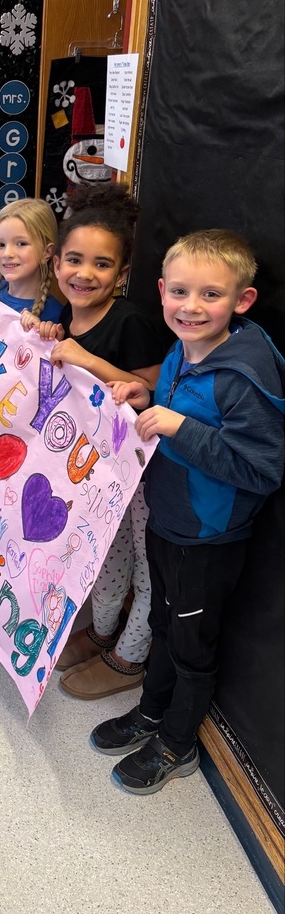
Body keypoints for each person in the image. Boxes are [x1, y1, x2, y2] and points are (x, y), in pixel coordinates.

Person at [95, 230, 284, 795]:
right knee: (161, 624)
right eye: (180, 292)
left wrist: (181, 427)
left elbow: (261, 469)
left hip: (209, 538)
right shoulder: (180, 348)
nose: (191, 307)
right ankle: (151, 712)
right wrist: (147, 402)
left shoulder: (245, 375)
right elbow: (174, 414)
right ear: (160, 291)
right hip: (167, 517)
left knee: (192, 647)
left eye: (210, 296)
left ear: (241, 301)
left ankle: (178, 744)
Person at [36, 183, 170, 699]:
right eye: (74, 260)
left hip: (142, 473)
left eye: (101, 265)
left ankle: (132, 653)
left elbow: (154, 393)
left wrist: (90, 361)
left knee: (143, 556)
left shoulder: (131, 320)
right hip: (96, 472)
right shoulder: (66, 312)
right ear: (56, 261)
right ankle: (104, 627)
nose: (84, 274)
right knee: (106, 548)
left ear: (123, 272)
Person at [0, 198, 63, 323]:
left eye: (21, 243)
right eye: (0, 244)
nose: (7, 254)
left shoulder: (55, 315)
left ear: (46, 252)